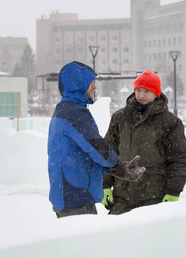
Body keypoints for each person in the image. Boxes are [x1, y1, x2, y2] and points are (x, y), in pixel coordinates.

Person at [48, 61, 145, 218]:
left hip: (70, 194)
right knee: (83, 242)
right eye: (90, 82)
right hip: (75, 198)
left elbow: (85, 156)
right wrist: (121, 167)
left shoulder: (65, 109)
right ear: (78, 85)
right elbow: (96, 147)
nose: (94, 86)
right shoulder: (74, 113)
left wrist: (114, 169)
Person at [102, 70, 186, 214]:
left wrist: (174, 191)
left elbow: (178, 160)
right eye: (138, 90)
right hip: (122, 196)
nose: (141, 95)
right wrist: (104, 185)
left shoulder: (170, 122)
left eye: (147, 91)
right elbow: (108, 153)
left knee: (150, 236)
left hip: (154, 197)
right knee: (115, 235)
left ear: (156, 93)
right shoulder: (120, 118)